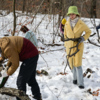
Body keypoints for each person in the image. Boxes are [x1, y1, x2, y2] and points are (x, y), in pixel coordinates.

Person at [64, 6, 91, 89]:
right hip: (69, 46)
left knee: (78, 64)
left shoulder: (81, 23)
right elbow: (65, 34)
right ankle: (74, 79)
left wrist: (82, 38)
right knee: (72, 64)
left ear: (76, 14)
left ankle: (80, 83)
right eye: (70, 14)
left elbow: (88, 31)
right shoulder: (67, 23)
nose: (72, 15)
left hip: (78, 46)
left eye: (73, 14)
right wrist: (66, 44)